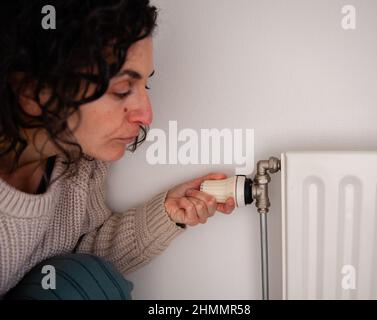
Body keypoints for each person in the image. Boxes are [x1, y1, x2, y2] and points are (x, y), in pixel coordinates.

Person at [0, 0, 235, 299]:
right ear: (32, 91)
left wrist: (168, 213)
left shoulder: (82, 161)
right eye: (122, 89)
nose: (146, 116)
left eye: (144, 87)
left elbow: (80, 266)